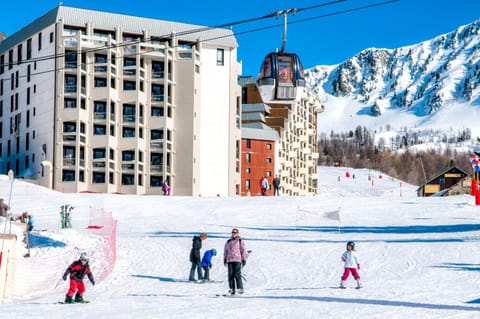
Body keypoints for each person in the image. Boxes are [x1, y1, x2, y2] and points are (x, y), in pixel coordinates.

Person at [224, 228, 247, 295]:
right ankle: (232, 289)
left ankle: (240, 289)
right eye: (233, 232)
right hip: (229, 260)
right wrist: (225, 259)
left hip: (237, 259)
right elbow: (226, 251)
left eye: (235, 232)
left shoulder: (240, 241)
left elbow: (243, 250)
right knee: (230, 275)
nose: (234, 233)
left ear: (237, 233)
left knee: (237, 274)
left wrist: (243, 259)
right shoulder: (228, 241)